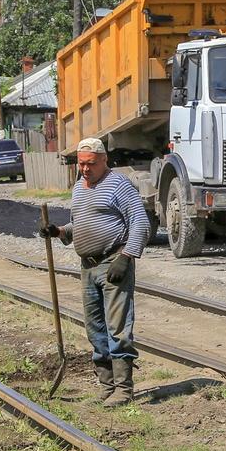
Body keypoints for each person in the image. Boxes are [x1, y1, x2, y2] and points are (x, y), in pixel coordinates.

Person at [39, 137, 150, 407]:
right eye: (81, 164)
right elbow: (82, 223)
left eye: (90, 164)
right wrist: (60, 232)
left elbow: (140, 223)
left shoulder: (118, 185)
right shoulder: (79, 187)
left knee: (117, 327)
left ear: (104, 160)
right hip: (87, 266)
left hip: (113, 262)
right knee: (95, 328)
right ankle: (107, 385)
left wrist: (126, 256)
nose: (85, 169)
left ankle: (124, 389)